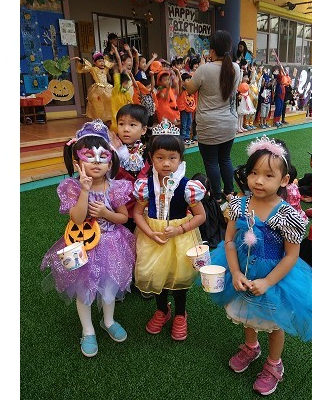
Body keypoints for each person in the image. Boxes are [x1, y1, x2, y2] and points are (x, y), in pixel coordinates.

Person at [207, 135, 312, 396]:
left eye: (268, 175)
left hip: (275, 277)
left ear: (284, 180)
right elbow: (229, 240)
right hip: (242, 269)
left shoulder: (287, 215)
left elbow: (291, 256)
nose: (258, 180)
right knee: (246, 311)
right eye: (253, 173)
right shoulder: (238, 204)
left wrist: (268, 281)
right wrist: (235, 271)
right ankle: (251, 347)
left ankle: (274, 363)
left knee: (274, 322)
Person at [40, 119, 136, 358]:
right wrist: (84, 190)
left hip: (112, 244)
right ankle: (88, 330)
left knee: (110, 288)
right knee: (84, 291)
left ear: (110, 161)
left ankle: (108, 320)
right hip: (82, 247)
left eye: (103, 156)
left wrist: (105, 213)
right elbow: (77, 217)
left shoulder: (116, 187)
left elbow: (124, 217)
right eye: (89, 156)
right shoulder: (72, 187)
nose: (96, 161)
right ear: (77, 162)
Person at [132, 119, 207, 341]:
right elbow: (137, 213)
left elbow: (201, 216)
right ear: (151, 158)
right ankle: (162, 310)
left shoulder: (187, 187)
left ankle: (181, 314)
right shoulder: (146, 185)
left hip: (180, 237)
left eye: (172, 158)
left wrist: (180, 229)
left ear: (180, 158)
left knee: (179, 277)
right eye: (160, 157)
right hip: (153, 236)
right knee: (158, 275)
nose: (166, 163)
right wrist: (149, 232)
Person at [183, 30, 242, 204]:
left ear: (212, 50)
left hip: (209, 124)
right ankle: (229, 192)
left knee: (211, 162)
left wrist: (185, 79)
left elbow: (190, 89)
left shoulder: (204, 69)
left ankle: (216, 196)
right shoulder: (235, 68)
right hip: (229, 123)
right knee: (225, 158)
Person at [109, 104, 150, 233]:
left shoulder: (150, 151)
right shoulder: (110, 151)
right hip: (120, 205)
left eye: (132, 125)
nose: (126, 129)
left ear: (143, 130)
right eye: (121, 124)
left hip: (143, 204)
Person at [72, 52, 114, 124]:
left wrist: (107, 56)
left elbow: (110, 64)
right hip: (98, 90)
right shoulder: (93, 69)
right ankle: (98, 120)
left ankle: (107, 119)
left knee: (108, 103)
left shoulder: (106, 69)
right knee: (97, 105)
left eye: (102, 61)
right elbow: (85, 67)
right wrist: (81, 60)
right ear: (95, 63)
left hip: (107, 89)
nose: (102, 63)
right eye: (99, 61)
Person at [177, 72, 197, 144]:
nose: (189, 81)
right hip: (184, 109)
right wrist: (178, 73)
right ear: (183, 81)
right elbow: (179, 82)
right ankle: (183, 138)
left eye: (190, 79)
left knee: (189, 123)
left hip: (190, 109)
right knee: (184, 124)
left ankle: (187, 137)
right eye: (188, 80)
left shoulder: (190, 89)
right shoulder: (181, 90)